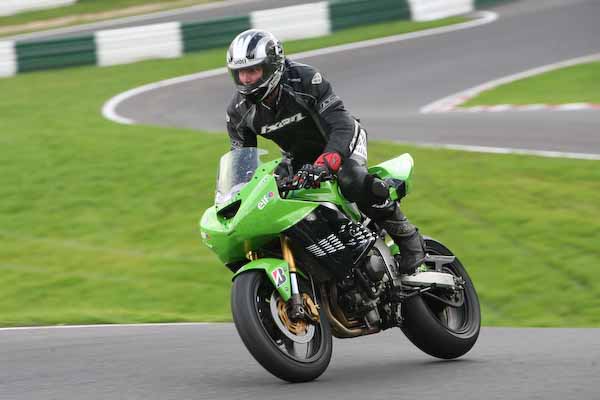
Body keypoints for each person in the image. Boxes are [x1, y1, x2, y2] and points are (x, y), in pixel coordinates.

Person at [225, 29, 425, 274]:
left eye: (253, 71)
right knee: (275, 200)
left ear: (272, 66)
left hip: (341, 141)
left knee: (350, 178)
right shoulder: (238, 111)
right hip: (298, 159)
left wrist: (326, 162)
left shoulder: (305, 79)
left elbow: (342, 124)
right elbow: (242, 164)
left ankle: (408, 238)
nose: (246, 79)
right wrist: (235, 195)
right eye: (240, 73)